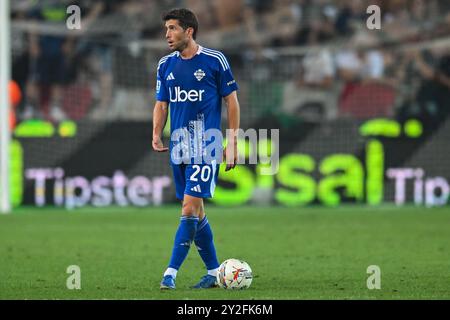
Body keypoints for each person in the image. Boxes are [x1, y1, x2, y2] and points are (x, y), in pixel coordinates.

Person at [152, 8, 240, 289]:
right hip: (178, 147)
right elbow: (161, 103)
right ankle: (214, 272)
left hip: (206, 145)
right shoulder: (165, 65)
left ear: (189, 31)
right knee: (197, 211)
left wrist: (233, 141)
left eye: (173, 28)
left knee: (188, 208)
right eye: (166, 29)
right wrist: (156, 132)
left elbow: (232, 101)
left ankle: (170, 273)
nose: (167, 34)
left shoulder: (215, 60)